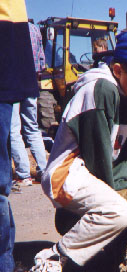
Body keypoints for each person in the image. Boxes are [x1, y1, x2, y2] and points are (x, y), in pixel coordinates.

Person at [30, 29, 127, 271]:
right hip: (68, 171)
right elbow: (96, 159)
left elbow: (126, 159)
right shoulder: (100, 89)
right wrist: (121, 198)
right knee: (118, 212)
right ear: (118, 70)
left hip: (103, 169)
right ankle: (54, 257)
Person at [0, 0, 40, 271]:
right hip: (16, 72)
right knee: (27, 129)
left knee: (18, 130)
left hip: (10, 65)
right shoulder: (35, 32)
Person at [10, 20, 48, 186]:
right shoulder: (34, 29)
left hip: (12, 81)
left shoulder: (7, 29)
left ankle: (23, 174)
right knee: (32, 127)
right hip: (31, 82)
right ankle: (45, 170)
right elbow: (41, 61)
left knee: (13, 129)